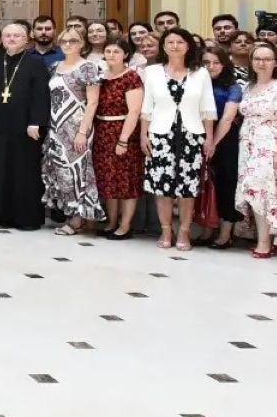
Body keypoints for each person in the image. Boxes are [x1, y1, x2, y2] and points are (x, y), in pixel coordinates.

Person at [140, 28, 215, 251]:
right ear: (163, 46)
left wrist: (208, 138)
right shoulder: (152, 71)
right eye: (170, 42)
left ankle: (183, 231)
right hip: (161, 134)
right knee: (161, 186)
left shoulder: (200, 72)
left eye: (179, 42)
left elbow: (207, 109)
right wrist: (144, 135)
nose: (174, 46)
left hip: (191, 135)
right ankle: (166, 230)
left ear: (188, 46)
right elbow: (147, 107)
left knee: (187, 187)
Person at [0, 21, 50, 230]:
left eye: (17, 36)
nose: (11, 39)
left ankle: (25, 218)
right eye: (8, 35)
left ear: (27, 39)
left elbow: (41, 97)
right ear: (2, 40)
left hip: (25, 129)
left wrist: (36, 121)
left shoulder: (36, 64)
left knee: (24, 173)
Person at [234, 42, 277, 258]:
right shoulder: (248, 87)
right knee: (251, 188)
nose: (261, 63)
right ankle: (266, 237)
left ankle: (264, 242)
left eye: (267, 59)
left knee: (263, 189)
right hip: (247, 144)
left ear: (276, 62)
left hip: (270, 143)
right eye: (257, 58)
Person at [42, 26, 104, 235]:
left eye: (74, 41)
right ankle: (71, 214)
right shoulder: (54, 66)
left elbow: (93, 102)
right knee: (62, 172)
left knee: (80, 172)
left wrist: (82, 132)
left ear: (82, 43)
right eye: (65, 41)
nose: (68, 44)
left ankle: (79, 218)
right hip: (56, 126)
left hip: (77, 125)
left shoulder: (88, 67)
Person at [92, 41, 145, 239]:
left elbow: (134, 111)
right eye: (108, 50)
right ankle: (111, 222)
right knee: (108, 180)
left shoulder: (131, 77)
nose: (112, 54)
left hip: (123, 131)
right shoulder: (101, 77)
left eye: (116, 51)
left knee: (126, 180)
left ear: (125, 54)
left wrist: (123, 140)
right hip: (102, 130)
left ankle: (125, 225)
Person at [201, 47, 243, 248]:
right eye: (206, 62)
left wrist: (213, 143)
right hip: (198, 135)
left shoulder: (233, 87)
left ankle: (226, 233)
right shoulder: (197, 83)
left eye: (216, 62)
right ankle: (207, 228)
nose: (211, 67)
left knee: (227, 184)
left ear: (224, 64)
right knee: (205, 185)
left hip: (225, 140)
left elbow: (227, 118)